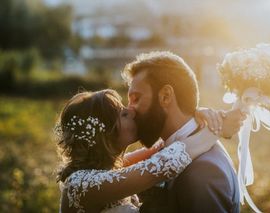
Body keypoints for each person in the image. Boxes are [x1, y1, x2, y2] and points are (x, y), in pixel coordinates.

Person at [56, 89, 242, 213]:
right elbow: (163, 164)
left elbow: (164, 148)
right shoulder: (79, 186)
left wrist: (194, 116)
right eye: (123, 114)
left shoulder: (112, 168)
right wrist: (217, 129)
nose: (132, 111)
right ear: (105, 134)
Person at [122, 51, 244, 212]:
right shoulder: (169, 148)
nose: (130, 110)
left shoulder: (203, 172)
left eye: (136, 99)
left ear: (165, 96)